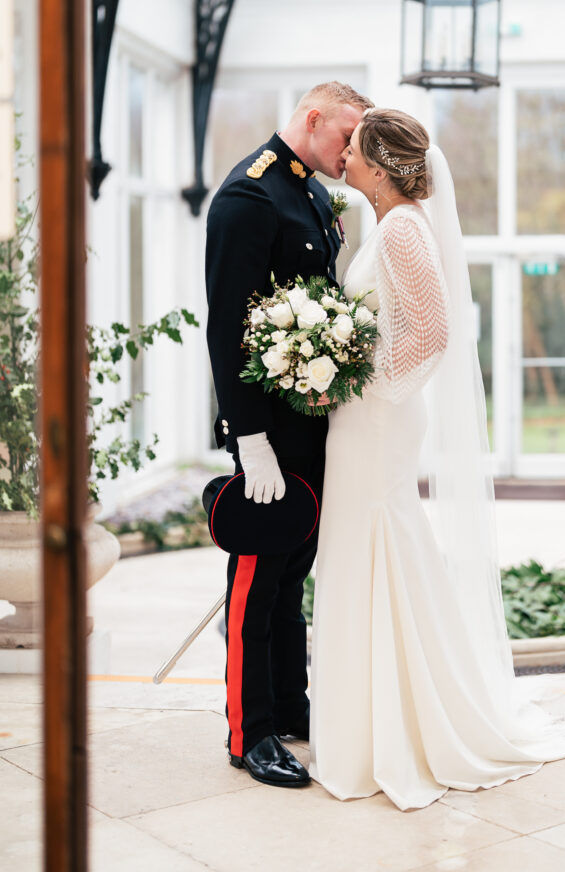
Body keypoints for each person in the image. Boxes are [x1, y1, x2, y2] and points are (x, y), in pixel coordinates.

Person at [309, 108, 565, 810]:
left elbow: (434, 332)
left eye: (352, 148)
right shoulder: (388, 225)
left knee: (382, 544)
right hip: (363, 416)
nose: (341, 155)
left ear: (378, 163)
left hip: (378, 418)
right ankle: (370, 723)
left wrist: (366, 385)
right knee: (363, 549)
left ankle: (400, 730)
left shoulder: (403, 227)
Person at [205, 81, 373, 789]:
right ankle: (250, 734)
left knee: (290, 579)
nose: (351, 152)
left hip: (311, 426)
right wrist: (248, 439)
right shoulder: (250, 196)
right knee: (256, 580)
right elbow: (226, 326)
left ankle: (288, 706)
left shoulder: (310, 195)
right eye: (346, 136)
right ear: (312, 119)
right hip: (267, 434)